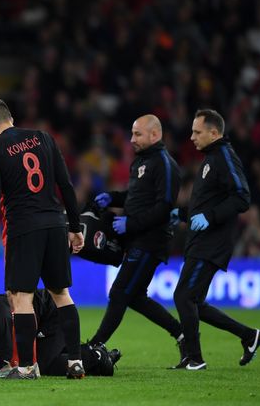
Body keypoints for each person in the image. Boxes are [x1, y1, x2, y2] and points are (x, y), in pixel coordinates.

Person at [0, 100, 86, 379]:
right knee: (61, 295)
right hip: (55, 223)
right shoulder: (43, 138)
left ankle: (27, 367)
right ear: (10, 117)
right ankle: (75, 361)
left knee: (22, 299)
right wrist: (75, 226)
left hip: (23, 229)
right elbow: (65, 184)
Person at [170, 109, 260, 370]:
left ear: (214, 133)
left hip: (211, 242)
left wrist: (210, 218)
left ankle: (195, 358)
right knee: (195, 302)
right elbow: (206, 204)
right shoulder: (211, 158)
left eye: (197, 132)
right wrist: (180, 214)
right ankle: (249, 336)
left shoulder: (224, 156)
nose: (191, 137)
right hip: (201, 240)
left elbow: (242, 197)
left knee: (183, 296)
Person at [89, 115, 185, 361]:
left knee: (120, 292)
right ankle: (181, 333)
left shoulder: (165, 164)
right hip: (137, 239)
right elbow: (137, 198)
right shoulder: (142, 161)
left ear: (155, 135)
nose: (132, 139)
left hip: (150, 241)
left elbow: (164, 207)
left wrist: (131, 223)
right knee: (135, 297)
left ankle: (95, 344)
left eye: (138, 134)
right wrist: (113, 198)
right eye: (132, 134)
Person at [0, 291, 120, 377]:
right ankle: (86, 350)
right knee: (46, 357)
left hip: (50, 316)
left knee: (43, 366)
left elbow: (6, 369)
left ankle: (98, 357)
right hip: (36, 317)